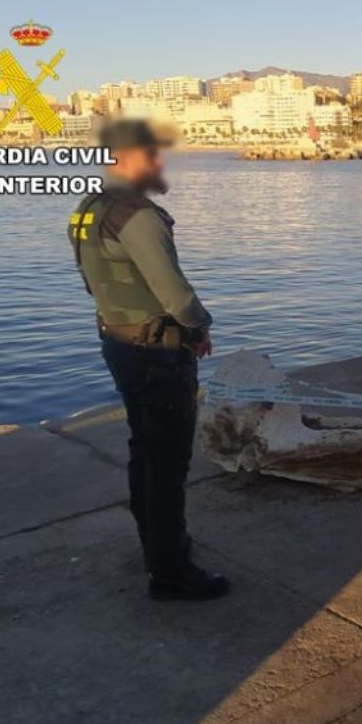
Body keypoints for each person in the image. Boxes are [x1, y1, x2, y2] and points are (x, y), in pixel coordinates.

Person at [68, 119, 230, 601]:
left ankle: (156, 547)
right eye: (151, 156)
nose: (160, 165)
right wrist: (199, 328)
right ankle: (172, 572)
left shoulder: (88, 210)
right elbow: (175, 294)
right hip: (158, 352)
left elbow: (93, 280)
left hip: (118, 342)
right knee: (167, 463)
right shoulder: (136, 215)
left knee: (144, 452)